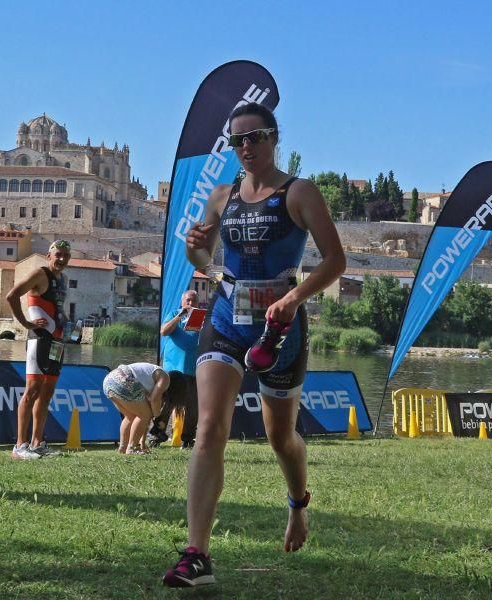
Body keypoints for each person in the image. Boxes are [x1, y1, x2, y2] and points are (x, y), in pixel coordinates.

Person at [163, 103, 346, 587]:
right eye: (237, 140)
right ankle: (196, 554)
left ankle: (298, 504)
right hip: (226, 317)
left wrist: (293, 298)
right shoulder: (222, 195)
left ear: (273, 138)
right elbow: (203, 257)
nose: (246, 147)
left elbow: (335, 261)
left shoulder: (299, 192)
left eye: (256, 137)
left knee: (279, 438)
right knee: (209, 429)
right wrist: (193, 246)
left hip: (279, 328)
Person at [6, 240, 72, 460]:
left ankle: (36, 443)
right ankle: (19, 446)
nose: (62, 259)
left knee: (47, 393)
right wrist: (26, 323)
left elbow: (57, 308)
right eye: (58, 254)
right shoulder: (40, 274)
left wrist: (69, 324)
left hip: (57, 342)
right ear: (49, 255)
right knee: (32, 391)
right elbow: (12, 295)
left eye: (65, 255)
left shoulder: (63, 279)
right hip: (39, 340)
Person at [150, 290, 201, 448]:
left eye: (193, 301)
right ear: (182, 302)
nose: (190, 304)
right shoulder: (174, 314)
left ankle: (188, 439)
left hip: (194, 369)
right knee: (167, 403)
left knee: (193, 406)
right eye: (188, 301)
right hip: (173, 369)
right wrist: (180, 315)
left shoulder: (202, 318)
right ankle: (157, 435)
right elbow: (164, 331)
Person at [102, 362, 170, 454]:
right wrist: (158, 418)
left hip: (109, 381)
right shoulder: (165, 378)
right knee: (144, 415)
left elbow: (145, 420)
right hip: (123, 381)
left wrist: (142, 443)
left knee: (131, 416)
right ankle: (132, 448)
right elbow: (154, 400)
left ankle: (123, 448)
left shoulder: (149, 379)